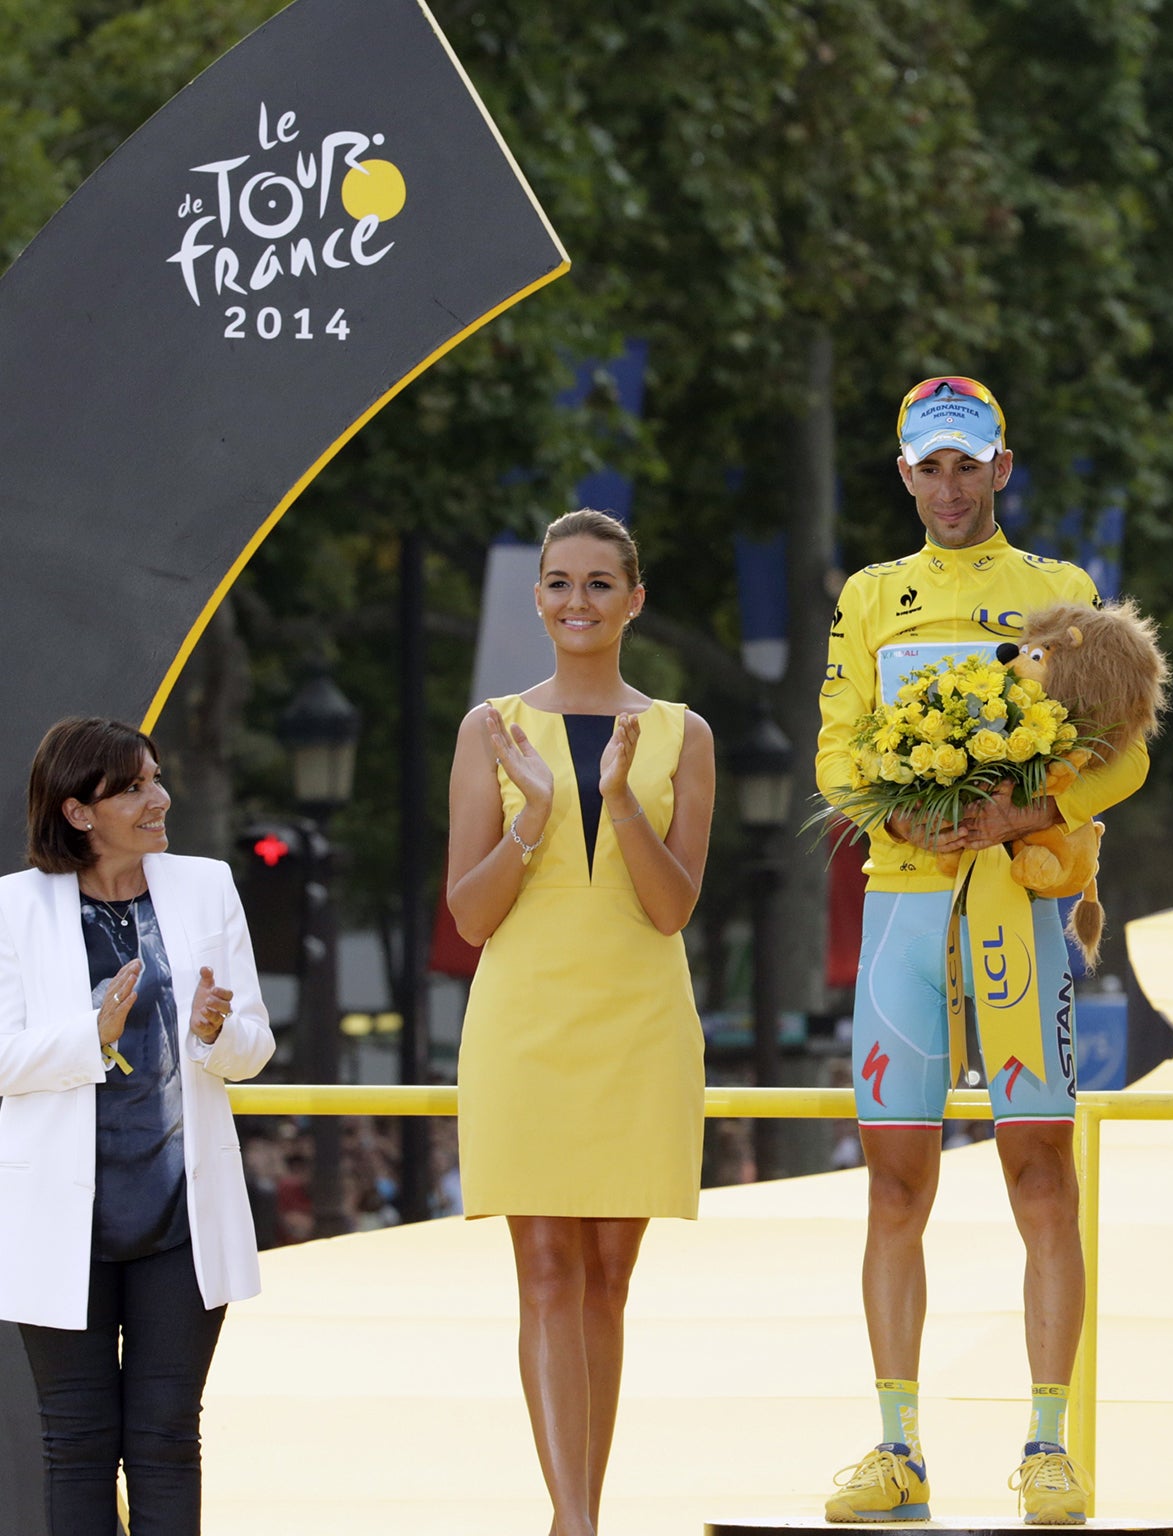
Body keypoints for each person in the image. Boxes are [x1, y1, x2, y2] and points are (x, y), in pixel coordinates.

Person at [814, 378, 1148, 1525]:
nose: (948, 487)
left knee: (1038, 1177)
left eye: (967, 464)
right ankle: (895, 1444)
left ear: (1002, 466)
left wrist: (1027, 814)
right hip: (905, 903)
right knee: (894, 1181)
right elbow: (837, 754)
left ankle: (1048, 1445)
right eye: (928, 467)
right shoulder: (868, 597)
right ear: (901, 475)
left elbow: (1122, 754)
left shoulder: (1057, 592)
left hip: (1016, 900)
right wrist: (893, 813)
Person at [447, 508, 715, 1536]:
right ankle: (572, 1521)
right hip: (525, 1022)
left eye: (600, 583)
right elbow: (470, 914)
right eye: (559, 582)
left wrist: (622, 803)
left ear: (634, 600)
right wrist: (532, 817)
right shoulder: (492, 729)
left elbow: (670, 908)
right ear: (537, 597)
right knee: (547, 1265)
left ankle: (585, 1506)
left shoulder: (683, 734)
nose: (577, 601)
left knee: (608, 1273)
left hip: (639, 1024)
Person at [0, 716, 275, 1535]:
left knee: (165, 1441)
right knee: (77, 1445)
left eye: (155, 779)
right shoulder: (14, 910)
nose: (160, 799)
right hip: (61, 1222)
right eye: (134, 788)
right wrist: (93, 1034)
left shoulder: (206, 885)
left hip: (180, 1221)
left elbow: (252, 1048)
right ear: (79, 812)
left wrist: (214, 1028)